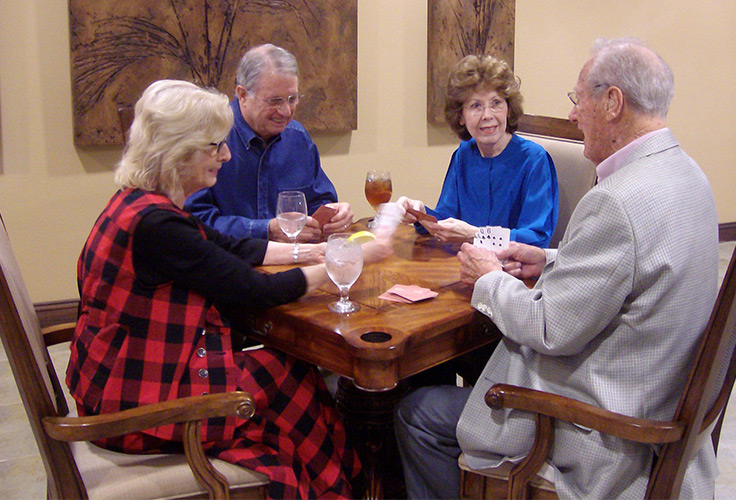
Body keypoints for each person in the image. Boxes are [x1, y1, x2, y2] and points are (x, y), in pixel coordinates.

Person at [394, 38, 719, 499]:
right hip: (652, 388)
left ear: (612, 103)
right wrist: (549, 258)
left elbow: (550, 328)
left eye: (578, 99)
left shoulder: (615, 200)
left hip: (605, 429)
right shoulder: (688, 175)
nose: (572, 115)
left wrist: (488, 278)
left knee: (418, 411)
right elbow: (634, 264)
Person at [66, 79, 392, 499]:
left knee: (287, 372)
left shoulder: (139, 203)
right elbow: (254, 290)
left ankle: (343, 483)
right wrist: (348, 263)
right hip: (132, 405)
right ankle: (344, 486)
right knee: (287, 374)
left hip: (114, 377)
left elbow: (228, 247)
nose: (226, 154)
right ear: (179, 149)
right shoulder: (158, 226)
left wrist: (307, 255)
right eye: (215, 145)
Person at [185, 43, 353, 243]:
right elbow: (194, 222)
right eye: (274, 101)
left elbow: (319, 202)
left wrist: (334, 215)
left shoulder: (297, 138)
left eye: (292, 99)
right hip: (230, 266)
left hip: (293, 262)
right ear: (243, 95)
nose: (285, 111)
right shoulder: (209, 139)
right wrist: (264, 230)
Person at [396, 55, 558, 248]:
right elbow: (447, 219)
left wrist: (477, 235)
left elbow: (536, 238)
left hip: (512, 274)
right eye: (476, 106)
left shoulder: (533, 160)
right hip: (464, 264)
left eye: (496, 103)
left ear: (508, 108)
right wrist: (420, 213)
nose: (487, 115)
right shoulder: (464, 154)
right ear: (461, 116)